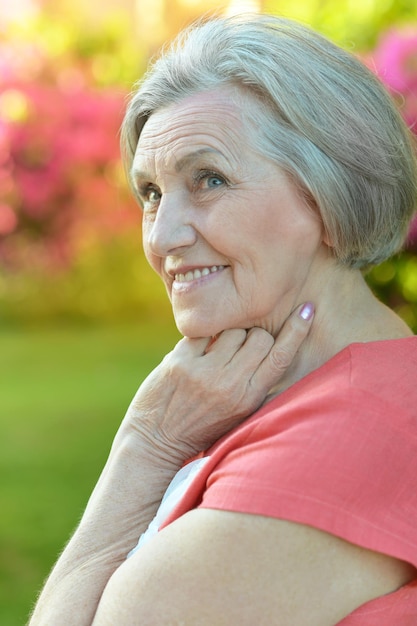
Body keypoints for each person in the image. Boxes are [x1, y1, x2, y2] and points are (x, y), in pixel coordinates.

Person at [29, 13, 417, 626]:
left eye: (209, 180)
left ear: (328, 194)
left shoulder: (352, 430)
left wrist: (145, 446)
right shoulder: (309, 394)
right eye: (152, 193)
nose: (162, 236)